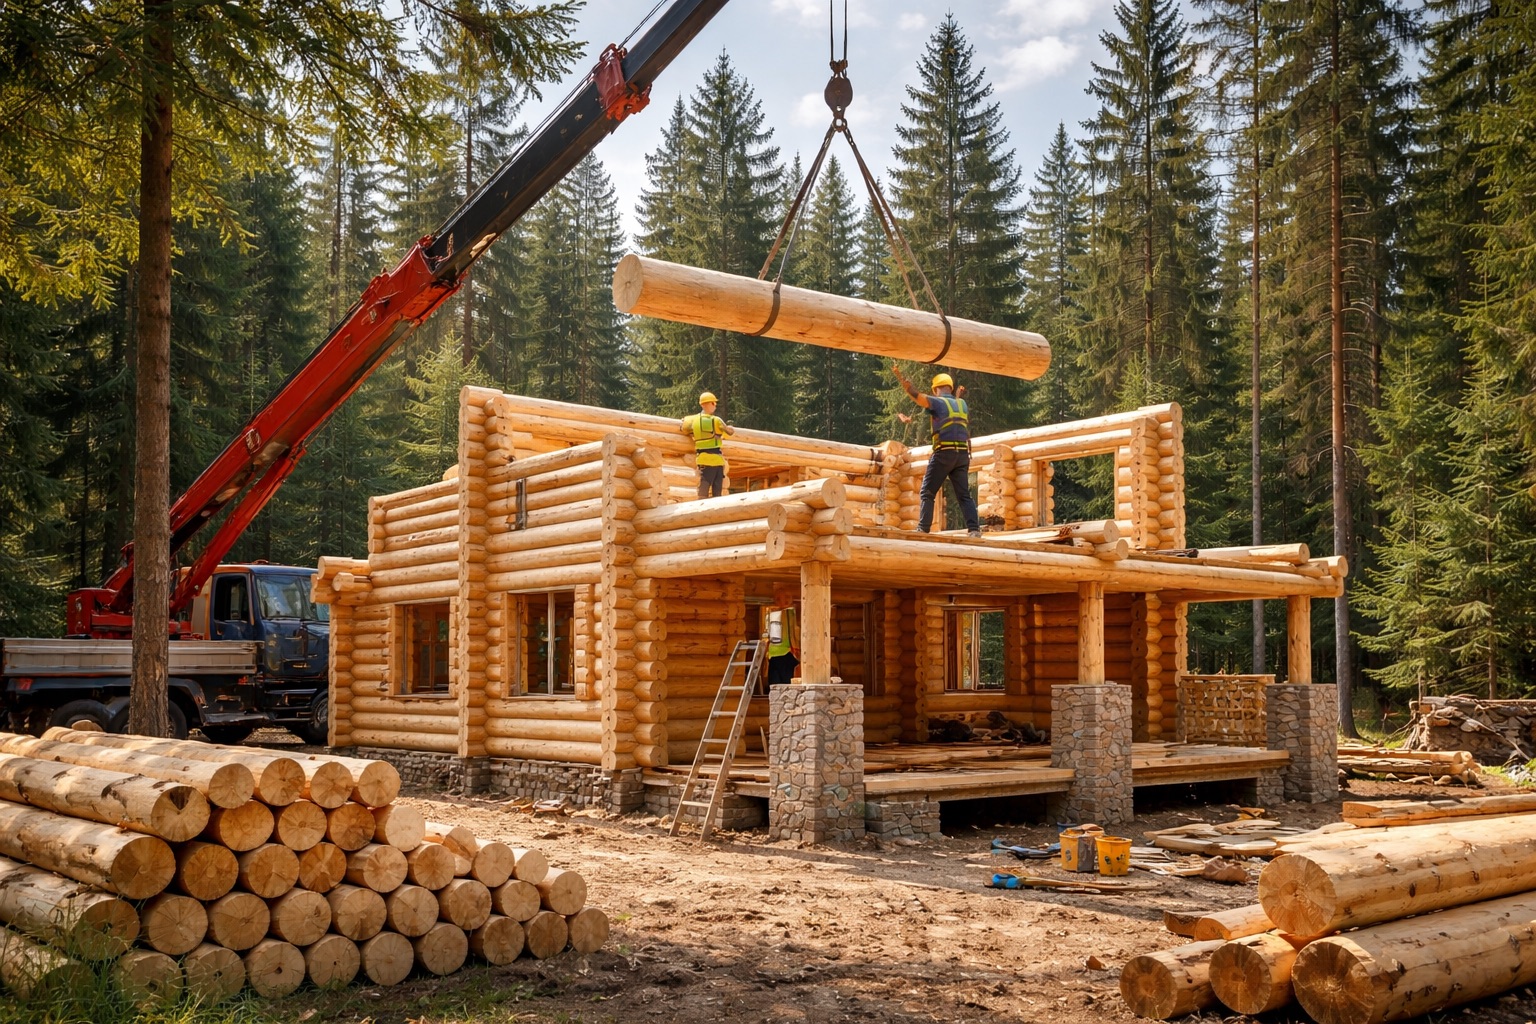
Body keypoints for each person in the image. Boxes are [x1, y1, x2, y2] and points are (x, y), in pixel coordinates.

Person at [891, 363, 982, 537]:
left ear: (936, 389)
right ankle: (974, 529)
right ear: (950, 387)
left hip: (944, 454)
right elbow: (952, 413)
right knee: (964, 495)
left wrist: (906, 385)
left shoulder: (938, 402)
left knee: (927, 492)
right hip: (962, 455)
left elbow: (918, 397)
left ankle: (923, 530)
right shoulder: (962, 404)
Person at [681, 390, 735, 499]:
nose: (715, 405)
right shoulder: (716, 421)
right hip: (717, 460)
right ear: (705, 404)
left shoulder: (692, 420)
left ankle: (700, 504)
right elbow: (729, 433)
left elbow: (684, 428)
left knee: (704, 486)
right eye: (713, 403)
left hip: (703, 459)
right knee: (717, 491)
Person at [764, 584, 800, 685]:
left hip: (789, 652)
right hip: (774, 655)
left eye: (788, 597)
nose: (784, 600)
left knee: (786, 682)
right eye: (778, 598)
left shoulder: (793, 613)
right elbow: (768, 633)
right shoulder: (771, 614)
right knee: (774, 683)